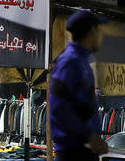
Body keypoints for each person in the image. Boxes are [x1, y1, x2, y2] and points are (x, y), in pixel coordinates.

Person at [50, 10, 109, 161]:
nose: (100, 37)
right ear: (91, 33)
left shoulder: (81, 61)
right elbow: (58, 107)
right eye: (98, 31)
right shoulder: (69, 62)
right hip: (74, 152)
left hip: (84, 149)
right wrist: (89, 136)